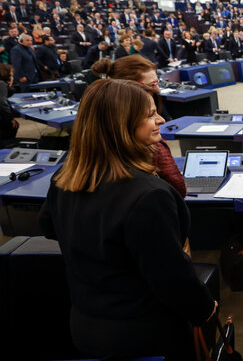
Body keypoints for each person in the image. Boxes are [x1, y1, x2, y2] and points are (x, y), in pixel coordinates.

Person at [38, 79, 216, 360]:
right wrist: (206, 308)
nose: (160, 119)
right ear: (120, 124)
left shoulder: (64, 178)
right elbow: (171, 279)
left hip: (85, 325)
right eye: (149, 114)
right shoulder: (149, 196)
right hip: (145, 335)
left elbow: (49, 227)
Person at [91, 56, 183, 192]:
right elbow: (179, 189)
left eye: (157, 82)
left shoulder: (93, 140)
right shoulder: (153, 148)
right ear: (129, 88)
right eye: (152, 84)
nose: (157, 89)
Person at [0, 64, 19, 144]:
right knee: (14, 125)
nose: (12, 77)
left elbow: (10, 92)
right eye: (11, 75)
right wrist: (10, 118)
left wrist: (9, 85)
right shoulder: (1, 84)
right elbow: (2, 103)